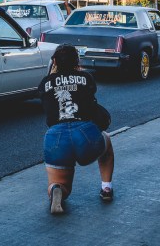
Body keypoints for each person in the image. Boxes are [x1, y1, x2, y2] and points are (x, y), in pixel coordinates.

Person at [39, 44, 115, 214]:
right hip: (85, 134)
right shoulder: (86, 78)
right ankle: (106, 188)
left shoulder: (45, 83)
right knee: (107, 144)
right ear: (77, 61)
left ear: (54, 62)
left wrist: (53, 75)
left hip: (56, 137)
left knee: (61, 184)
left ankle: (57, 190)